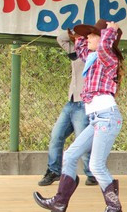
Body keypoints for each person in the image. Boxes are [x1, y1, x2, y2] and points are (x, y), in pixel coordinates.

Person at [34, 19, 125, 212]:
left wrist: (110, 31)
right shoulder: (92, 58)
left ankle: (114, 209)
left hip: (107, 117)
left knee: (96, 165)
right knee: (70, 156)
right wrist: (83, 35)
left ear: (104, 39)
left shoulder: (108, 57)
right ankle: (59, 203)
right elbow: (81, 46)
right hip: (96, 119)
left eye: (93, 35)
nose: (89, 38)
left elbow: (105, 46)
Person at [38, 30, 97, 187]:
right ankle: (54, 171)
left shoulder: (96, 55)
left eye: (91, 36)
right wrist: (74, 33)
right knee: (56, 136)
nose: (88, 39)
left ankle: (92, 173)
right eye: (87, 36)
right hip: (71, 102)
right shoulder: (78, 50)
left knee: (82, 140)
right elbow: (61, 39)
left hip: (84, 103)